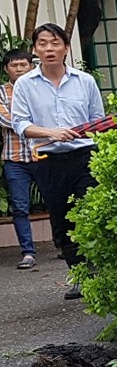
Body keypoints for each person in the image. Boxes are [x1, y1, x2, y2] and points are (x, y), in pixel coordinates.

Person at [10, 24, 103, 299]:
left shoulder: (85, 81)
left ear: (66, 48)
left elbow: (97, 120)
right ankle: (81, 277)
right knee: (62, 221)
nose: (49, 49)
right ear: (35, 49)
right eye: (43, 43)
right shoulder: (25, 84)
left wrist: (87, 131)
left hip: (85, 156)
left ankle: (102, 272)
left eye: (55, 43)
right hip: (48, 160)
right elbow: (20, 124)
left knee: (91, 213)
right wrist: (50, 132)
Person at [0, 48, 39, 270]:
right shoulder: (1, 92)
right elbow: (5, 120)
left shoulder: (40, 88)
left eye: (23, 64)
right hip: (14, 158)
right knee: (20, 207)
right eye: (14, 65)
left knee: (57, 201)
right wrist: (33, 124)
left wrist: (25, 122)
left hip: (43, 153)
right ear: (6, 69)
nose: (19, 69)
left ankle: (64, 246)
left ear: (30, 66)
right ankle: (28, 252)